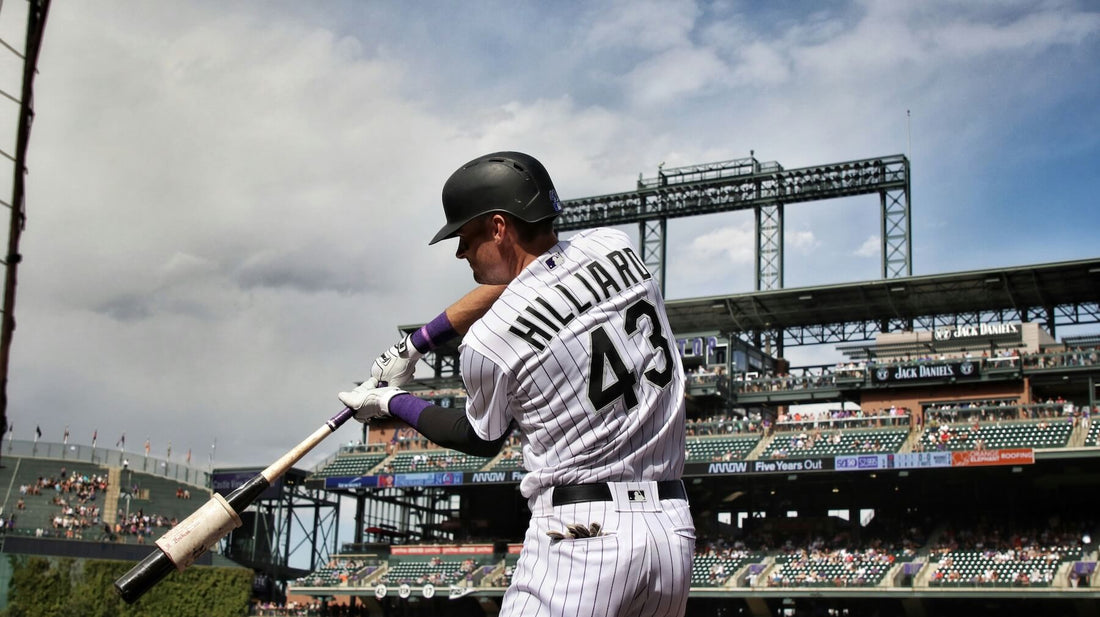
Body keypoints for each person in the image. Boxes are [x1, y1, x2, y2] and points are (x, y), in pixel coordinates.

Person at [339, 151, 694, 616]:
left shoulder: (488, 342)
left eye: (465, 237)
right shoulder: (615, 246)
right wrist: (416, 344)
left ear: (498, 227)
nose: (460, 252)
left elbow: (480, 438)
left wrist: (392, 401)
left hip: (582, 539)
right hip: (673, 534)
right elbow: (530, 277)